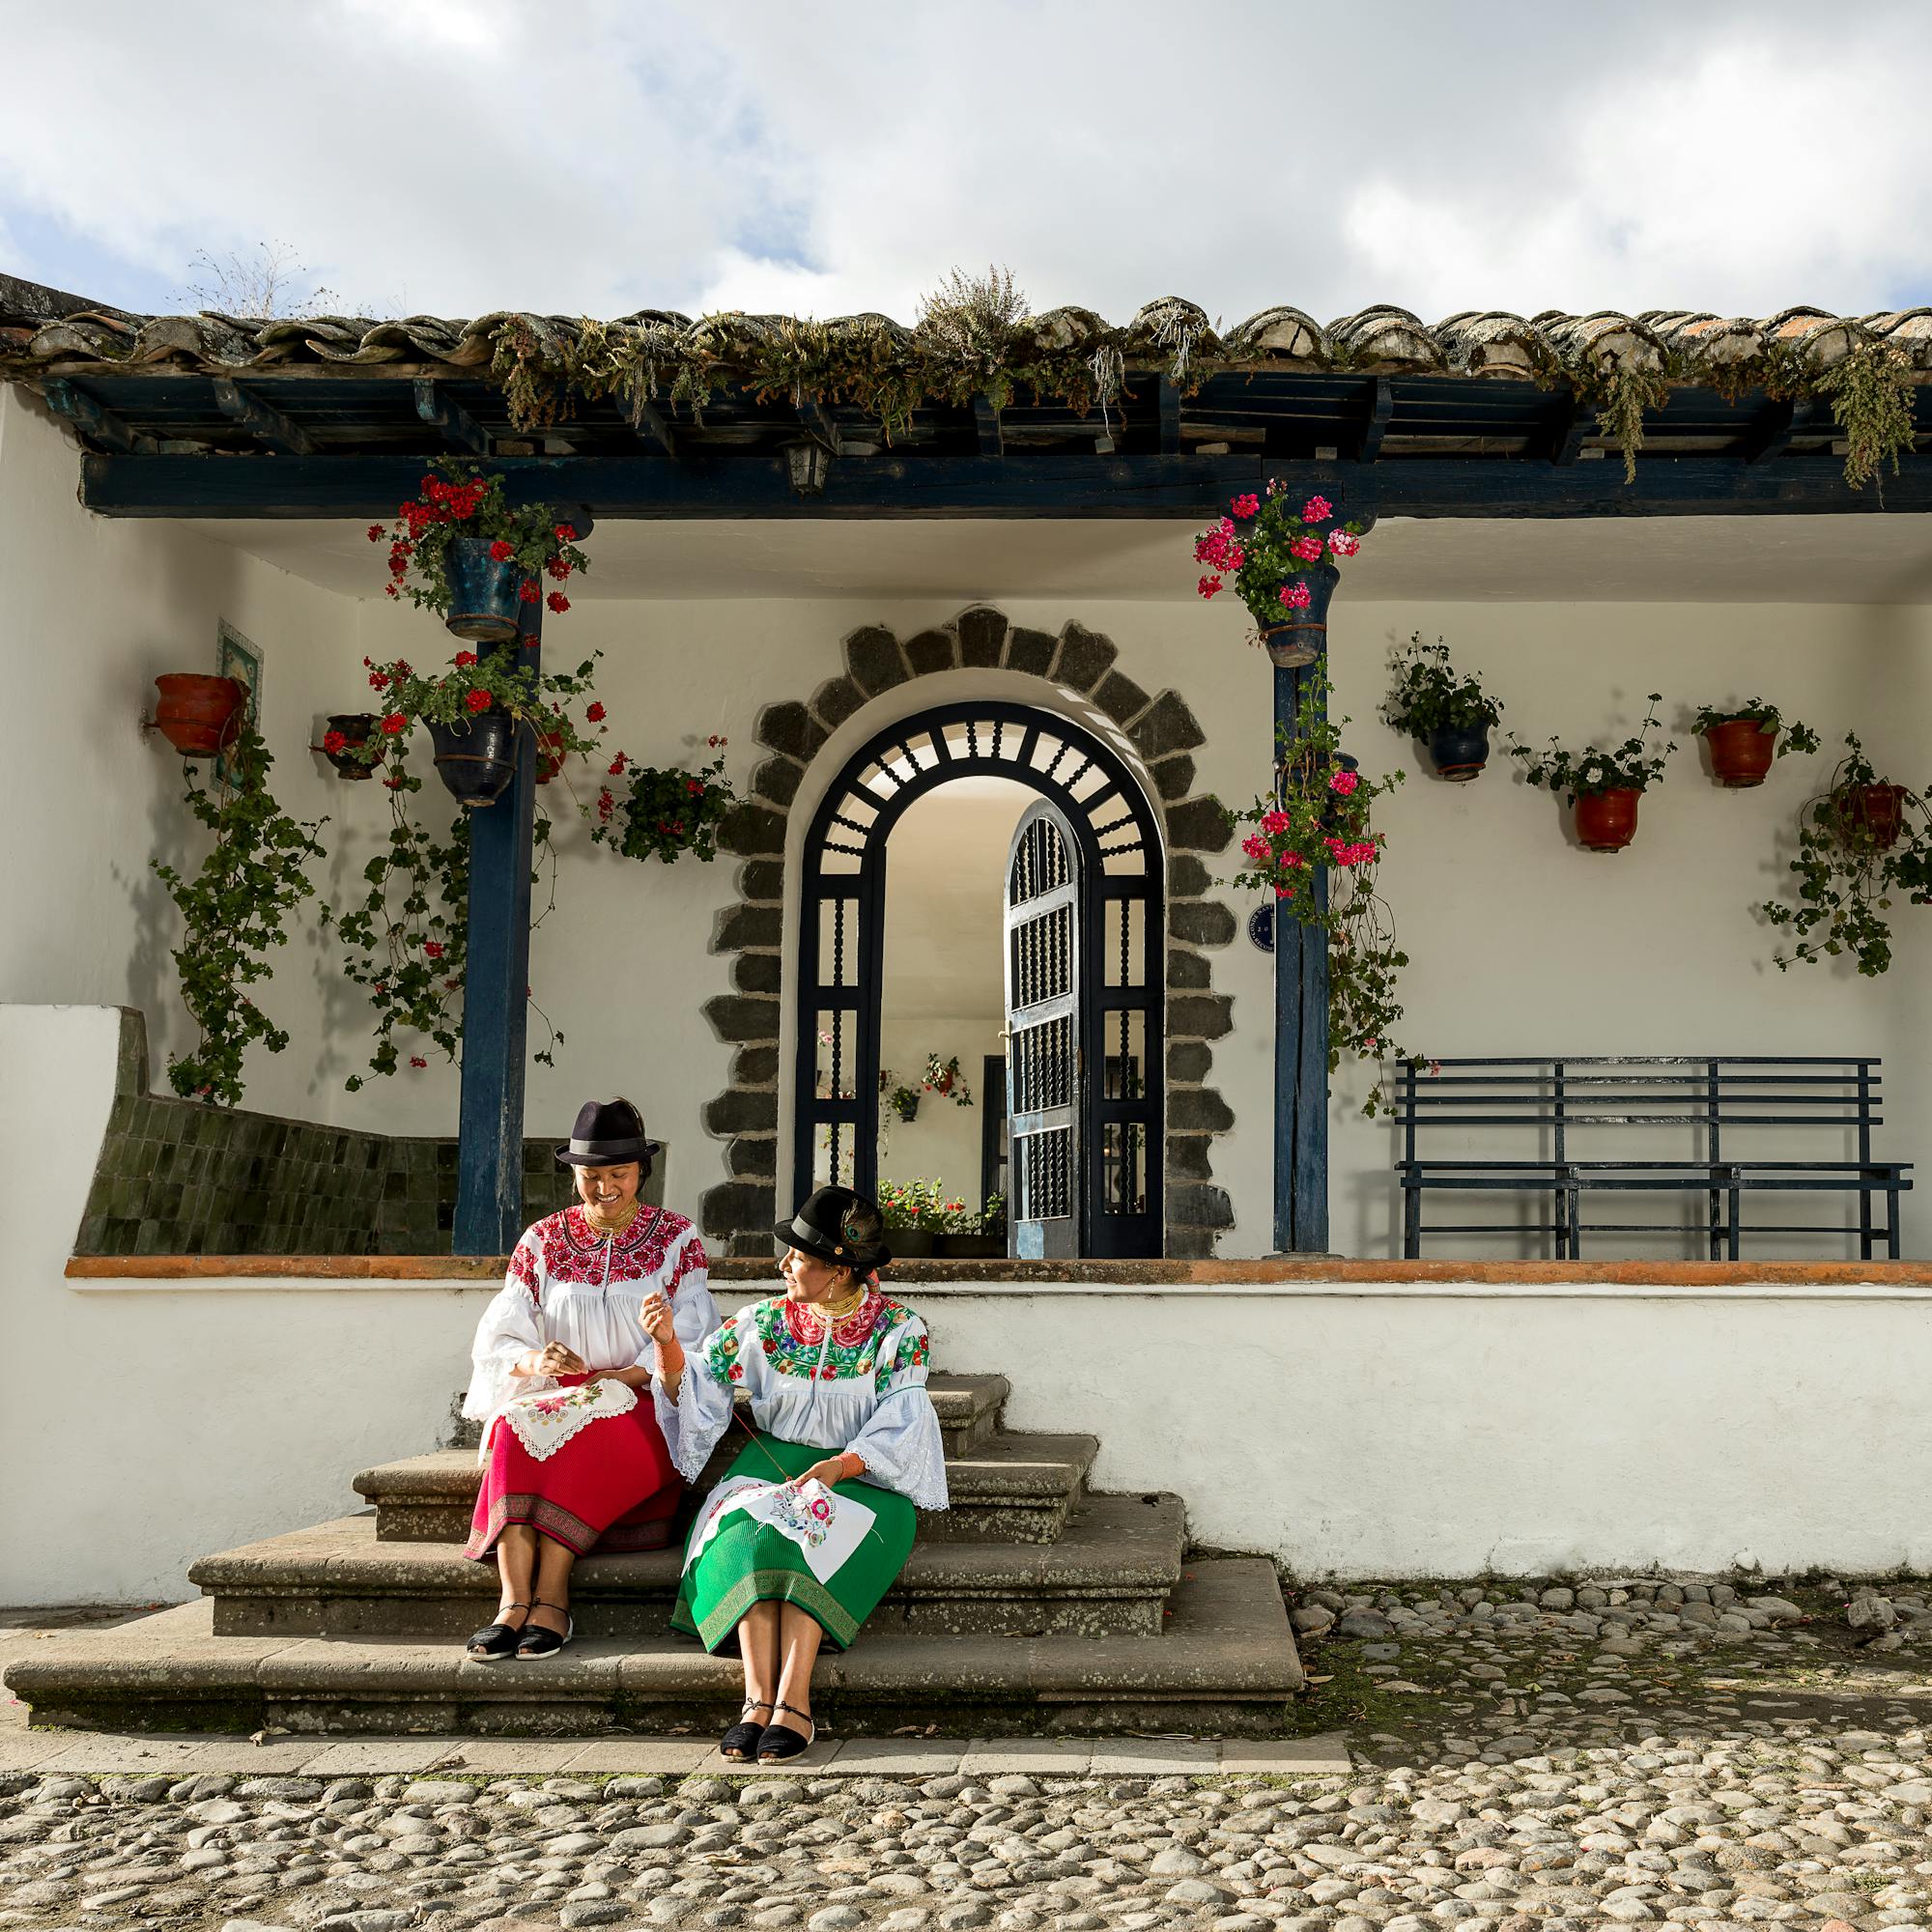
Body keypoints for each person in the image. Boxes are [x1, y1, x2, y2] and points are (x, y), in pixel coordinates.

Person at [644, 1184, 948, 1761]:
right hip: (772, 1464)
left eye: (799, 1257)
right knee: (755, 1529)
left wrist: (835, 1468)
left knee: (812, 1531)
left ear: (837, 1270)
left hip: (866, 1477)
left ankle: (794, 1702)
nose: (783, 1264)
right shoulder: (760, 1323)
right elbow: (698, 1388)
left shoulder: (901, 1331)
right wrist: (666, 1346)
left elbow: (903, 1425)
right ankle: (756, 1702)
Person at [460, 1098, 719, 1661]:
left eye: (618, 1175)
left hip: (640, 1400)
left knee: (587, 1435)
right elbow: (502, 1333)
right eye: (590, 1176)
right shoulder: (542, 1240)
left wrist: (627, 1371)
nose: (604, 1188)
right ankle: (511, 1603)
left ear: (641, 1173)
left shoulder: (676, 1238)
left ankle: (551, 1598)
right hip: (558, 1395)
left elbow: (694, 1341)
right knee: (511, 1428)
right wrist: (537, 1363)